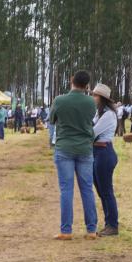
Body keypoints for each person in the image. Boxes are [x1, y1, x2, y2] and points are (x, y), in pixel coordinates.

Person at [50, 71, 98, 240]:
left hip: (64, 148)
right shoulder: (91, 102)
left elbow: (52, 120)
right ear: (87, 85)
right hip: (85, 149)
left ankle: (66, 230)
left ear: (71, 81)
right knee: (87, 189)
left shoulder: (59, 100)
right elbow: (91, 120)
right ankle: (91, 230)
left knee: (66, 190)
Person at [91, 84, 119, 236]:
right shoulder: (99, 113)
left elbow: (92, 132)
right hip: (98, 151)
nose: (93, 98)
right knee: (102, 191)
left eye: (95, 95)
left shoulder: (108, 115)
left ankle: (112, 225)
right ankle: (109, 222)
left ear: (101, 98)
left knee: (106, 191)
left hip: (103, 151)